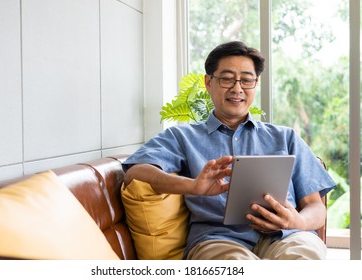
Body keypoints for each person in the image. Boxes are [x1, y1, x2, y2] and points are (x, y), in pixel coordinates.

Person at [122, 41, 336, 260]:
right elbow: (135, 173)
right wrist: (193, 186)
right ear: (208, 82)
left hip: (286, 237)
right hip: (218, 240)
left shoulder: (285, 137)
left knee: (304, 257)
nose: (237, 88)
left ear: (255, 83)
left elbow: (316, 208)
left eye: (246, 79)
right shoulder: (182, 137)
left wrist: (299, 222)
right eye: (226, 78)